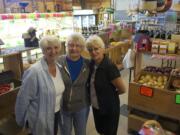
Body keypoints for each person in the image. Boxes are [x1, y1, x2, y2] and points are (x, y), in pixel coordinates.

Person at [15, 36, 65, 135]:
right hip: (39, 119)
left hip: (56, 114)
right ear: (43, 51)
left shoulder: (59, 67)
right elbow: (23, 99)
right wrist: (23, 122)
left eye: (56, 47)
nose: (53, 51)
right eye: (48, 48)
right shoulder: (34, 72)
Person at [86, 35, 126, 135]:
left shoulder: (109, 67)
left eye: (96, 49)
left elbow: (122, 89)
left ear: (103, 49)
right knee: (100, 130)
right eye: (90, 50)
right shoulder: (91, 64)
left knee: (109, 132)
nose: (93, 52)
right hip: (96, 106)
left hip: (109, 108)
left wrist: (110, 95)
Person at [58, 32, 90, 135]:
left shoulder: (88, 64)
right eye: (71, 45)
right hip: (63, 107)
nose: (74, 48)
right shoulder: (58, 62)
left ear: (82, 48)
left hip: (81, 106)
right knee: (65, 133)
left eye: (78, 46)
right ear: (66, 46)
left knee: (81, 133)